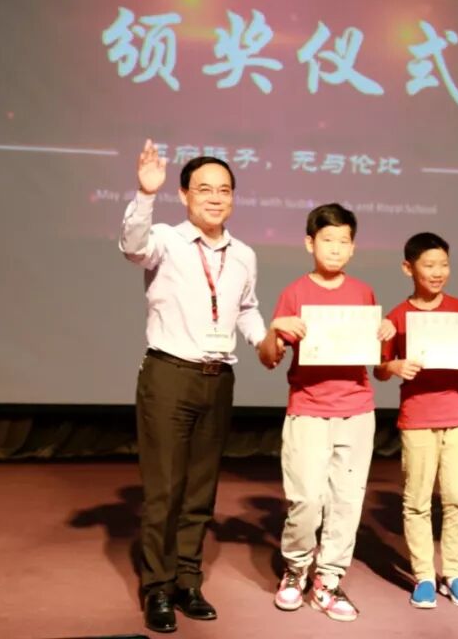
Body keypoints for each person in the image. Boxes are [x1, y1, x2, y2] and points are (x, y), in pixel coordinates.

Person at [120, 140, 290, 633]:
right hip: (170, 374)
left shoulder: (244, 254)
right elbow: (132, 247)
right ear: (184, 194)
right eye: (204, 189)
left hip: (219, 379)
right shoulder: (165, 240)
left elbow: (246, 309)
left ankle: (187, 581)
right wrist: (144, 194)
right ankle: (157, 586)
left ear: (233, 197)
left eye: (224, 190)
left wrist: (264, 342)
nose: (215, 198)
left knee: (200, 489)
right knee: (164, 490)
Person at [258, 203, 395, 623]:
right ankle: (296, 569)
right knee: (305, 500)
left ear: (353, 248)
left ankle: (328, 579)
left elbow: (380, 366)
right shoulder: (295, 293)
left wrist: (386, 335)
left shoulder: (364, 293)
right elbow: (269, 358)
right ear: (309, 243)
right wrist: (275, 329)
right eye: (327, 239)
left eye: (343, 241)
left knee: (346, 502)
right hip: (308, 409)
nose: (335, 248)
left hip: (357, 411)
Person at [374, 232, 458, 609]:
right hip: (418, 418)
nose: (438, 272)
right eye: (429, 265)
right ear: (408, 268)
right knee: (417, 501)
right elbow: (380, 369)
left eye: (444, 264)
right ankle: (425, 576)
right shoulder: (397, 316)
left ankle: (454, 574)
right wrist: (394, 366)